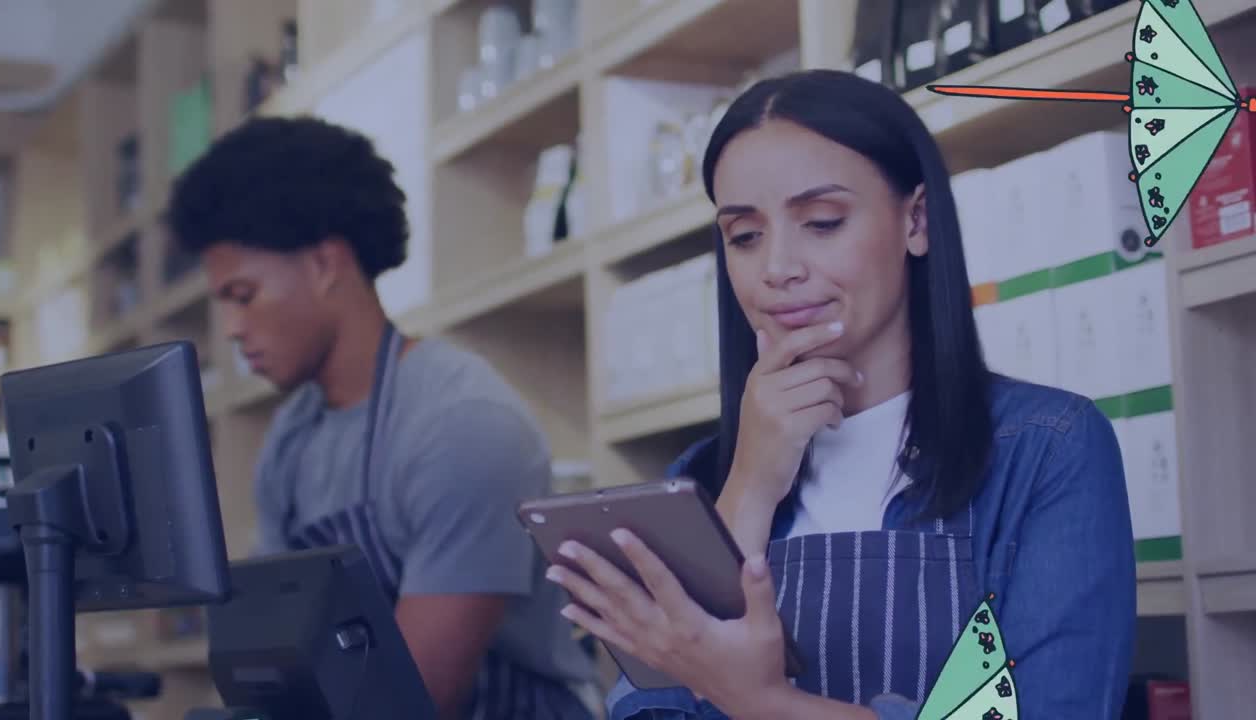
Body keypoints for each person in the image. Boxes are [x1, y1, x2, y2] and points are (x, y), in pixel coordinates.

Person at [543, 69, 1137, 719]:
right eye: (744, 236)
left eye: (822, 222)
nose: (777, 268)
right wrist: (748, 488)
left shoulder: (1047, 451)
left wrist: (759, 702)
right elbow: (645, 710)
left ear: (916, 220)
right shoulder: (700, 480)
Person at [164, 116, 598, 720]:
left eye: (244, 296)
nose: (233, 330)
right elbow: (274, 659)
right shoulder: (291, 440)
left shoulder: (464, 427)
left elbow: (414, 701)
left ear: (325, 263)